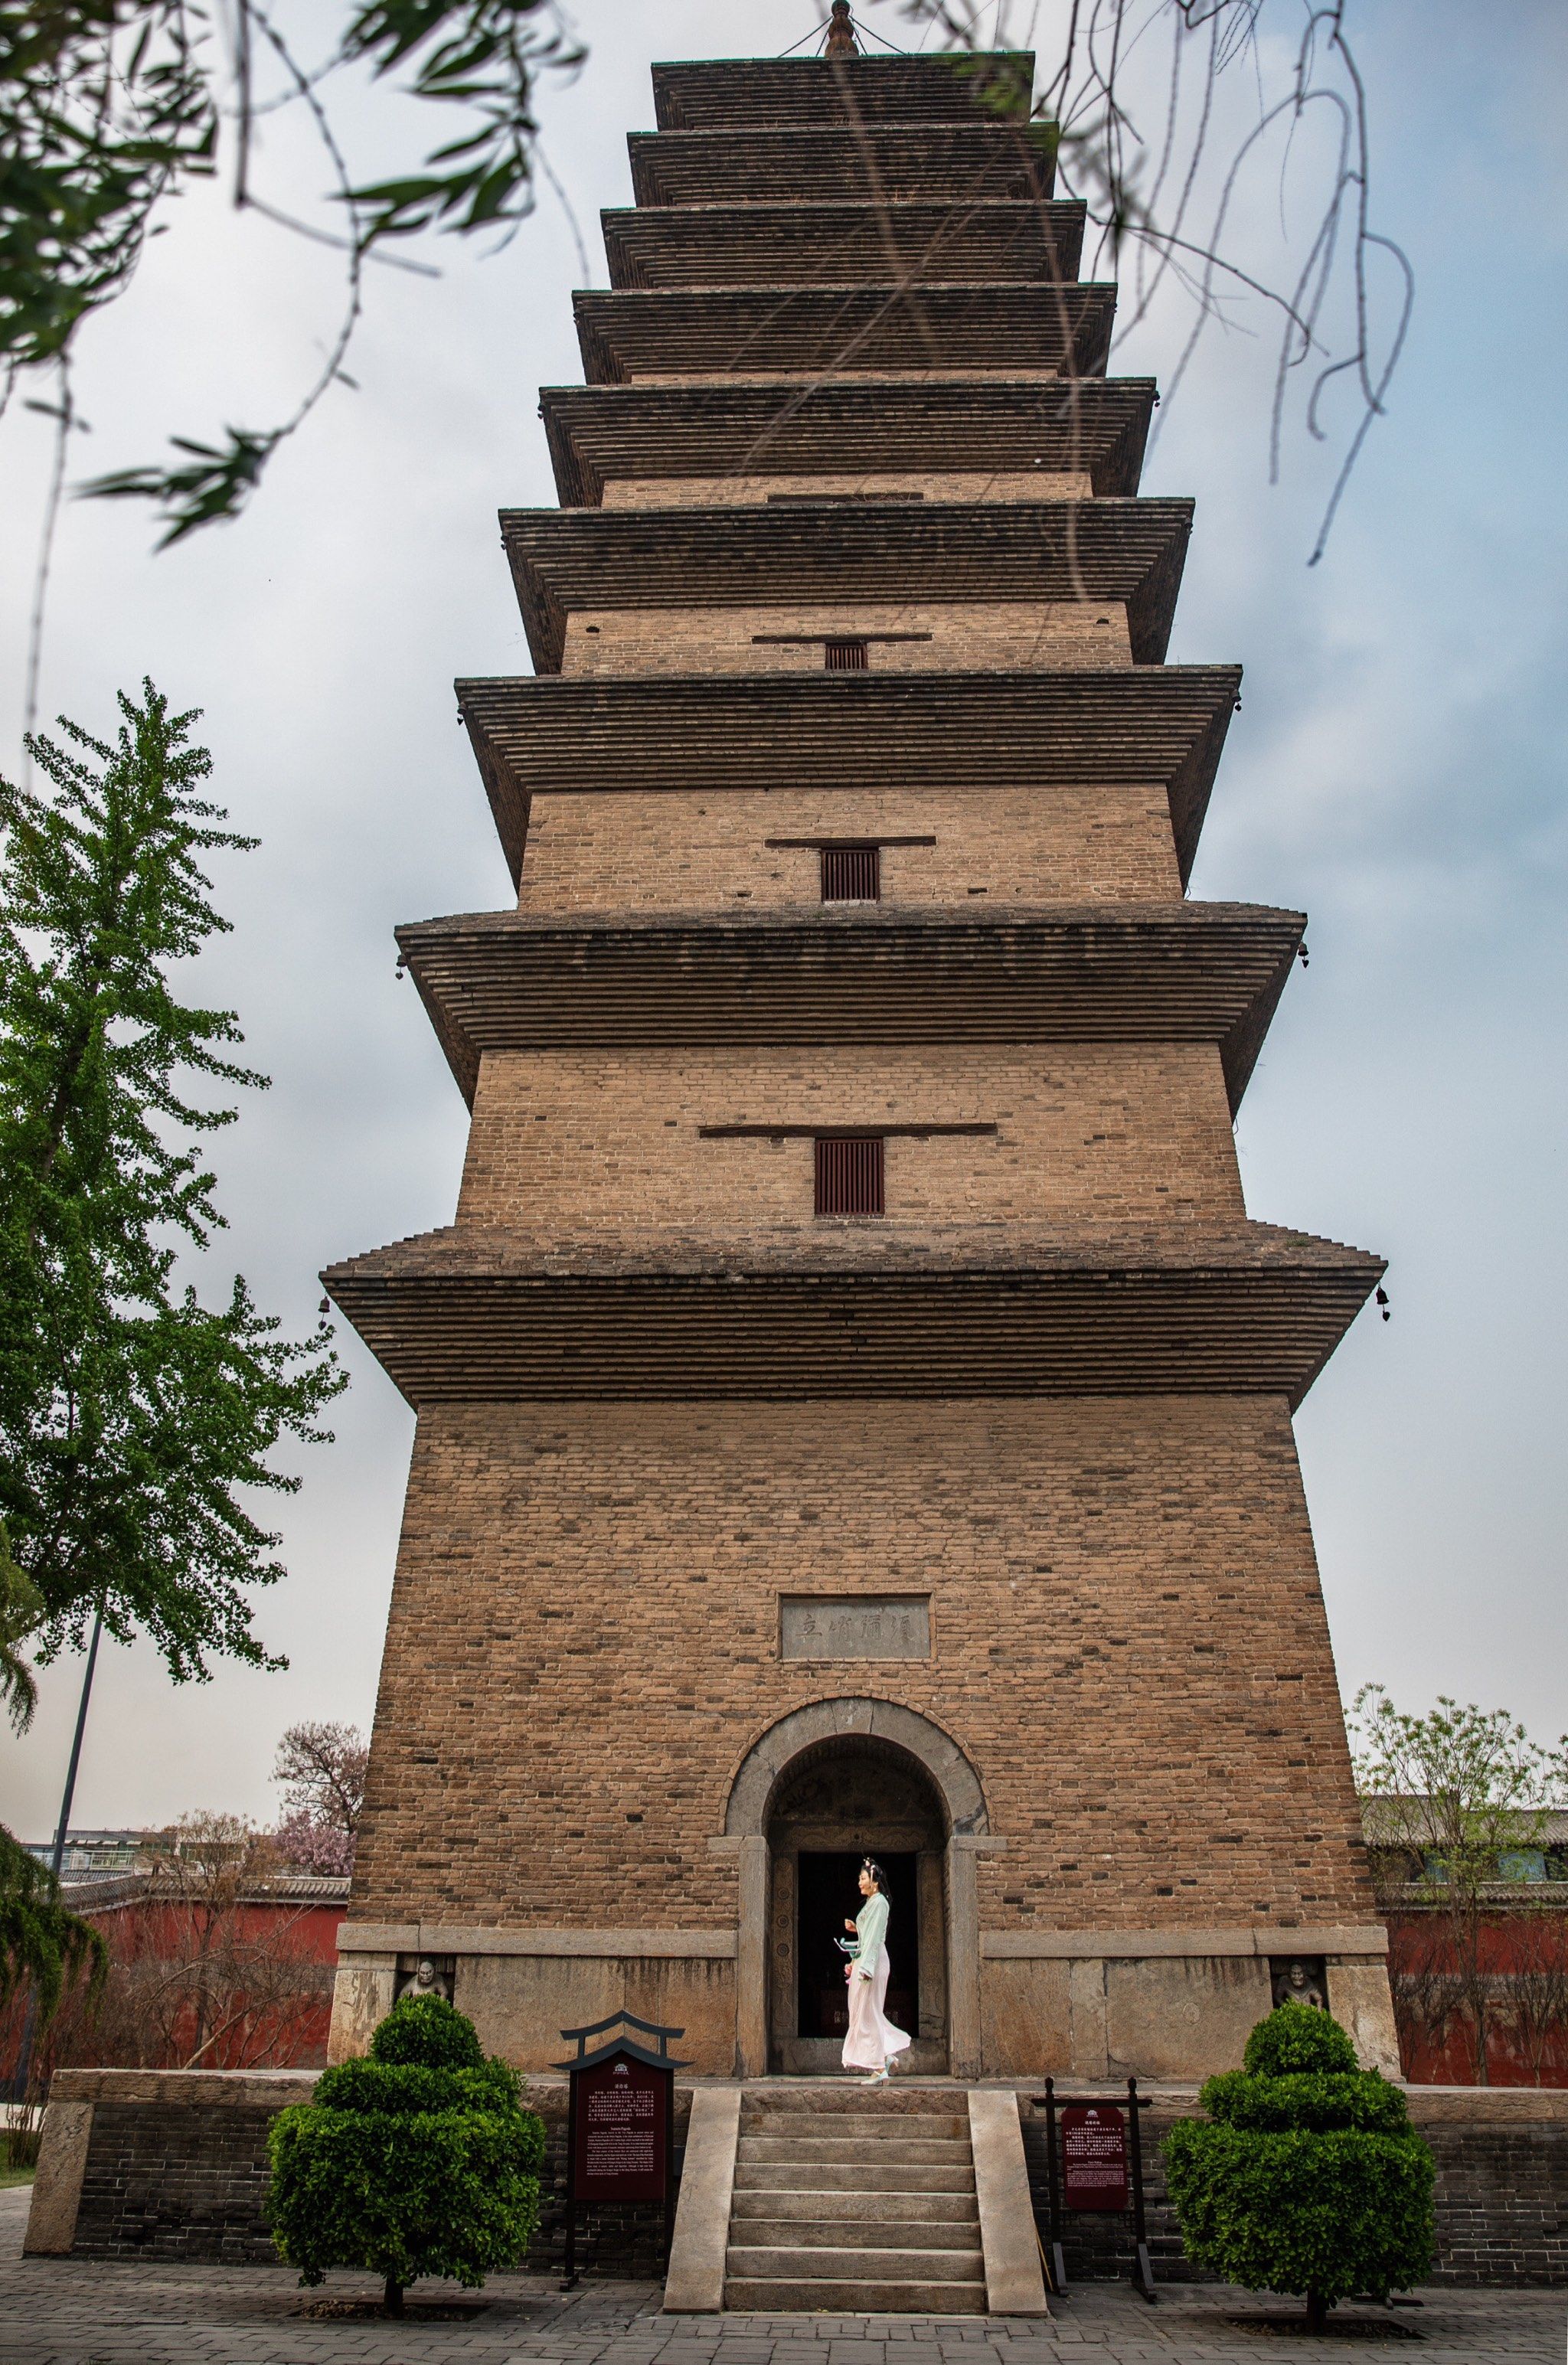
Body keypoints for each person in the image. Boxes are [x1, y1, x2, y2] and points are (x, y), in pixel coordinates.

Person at [838, 1857, 912, 2084]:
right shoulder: (872, 1902)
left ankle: (879, 2069)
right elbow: (867, 1935)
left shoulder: (880, 1903)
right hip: (866, 1959)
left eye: (862, 1878)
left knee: (867, 2013)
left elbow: (874, 1938)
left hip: (873, 1961)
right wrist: (855, 1953)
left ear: (874, 1881)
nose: (859, 1882)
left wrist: (866, 1967)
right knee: (865, 2011)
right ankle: (886, 2056)